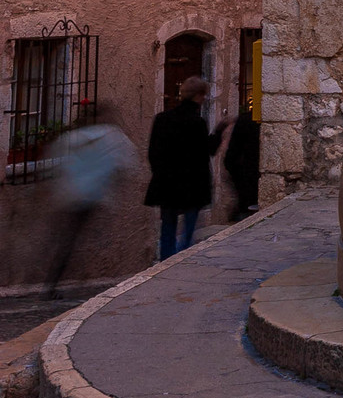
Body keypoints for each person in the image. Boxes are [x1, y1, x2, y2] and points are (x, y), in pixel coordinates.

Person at [45, 115, 134, 296]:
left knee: (67, 239)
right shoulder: (111, 137)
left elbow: (57, 160)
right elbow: (126, 164)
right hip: (91, 196)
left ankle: (54, 283)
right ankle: (78, 280)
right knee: (77, 239)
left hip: (70, 195)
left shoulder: (73, 138)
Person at [144, 75, 216, 258]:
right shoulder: (197, 123)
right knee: (189, 229)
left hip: (167, 183)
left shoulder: (162, 119)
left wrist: (160, 174)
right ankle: (181, 258)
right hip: (191, 184)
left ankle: (167, 260)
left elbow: (153, 153)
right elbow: (206, 151)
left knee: (168, 227)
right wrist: (220, 131)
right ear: (198, 96)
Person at [222, 105, 260, 219]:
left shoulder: (244, 120)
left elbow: (231, 155)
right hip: (250, 175)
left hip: (245, 176)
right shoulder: (251, 121)